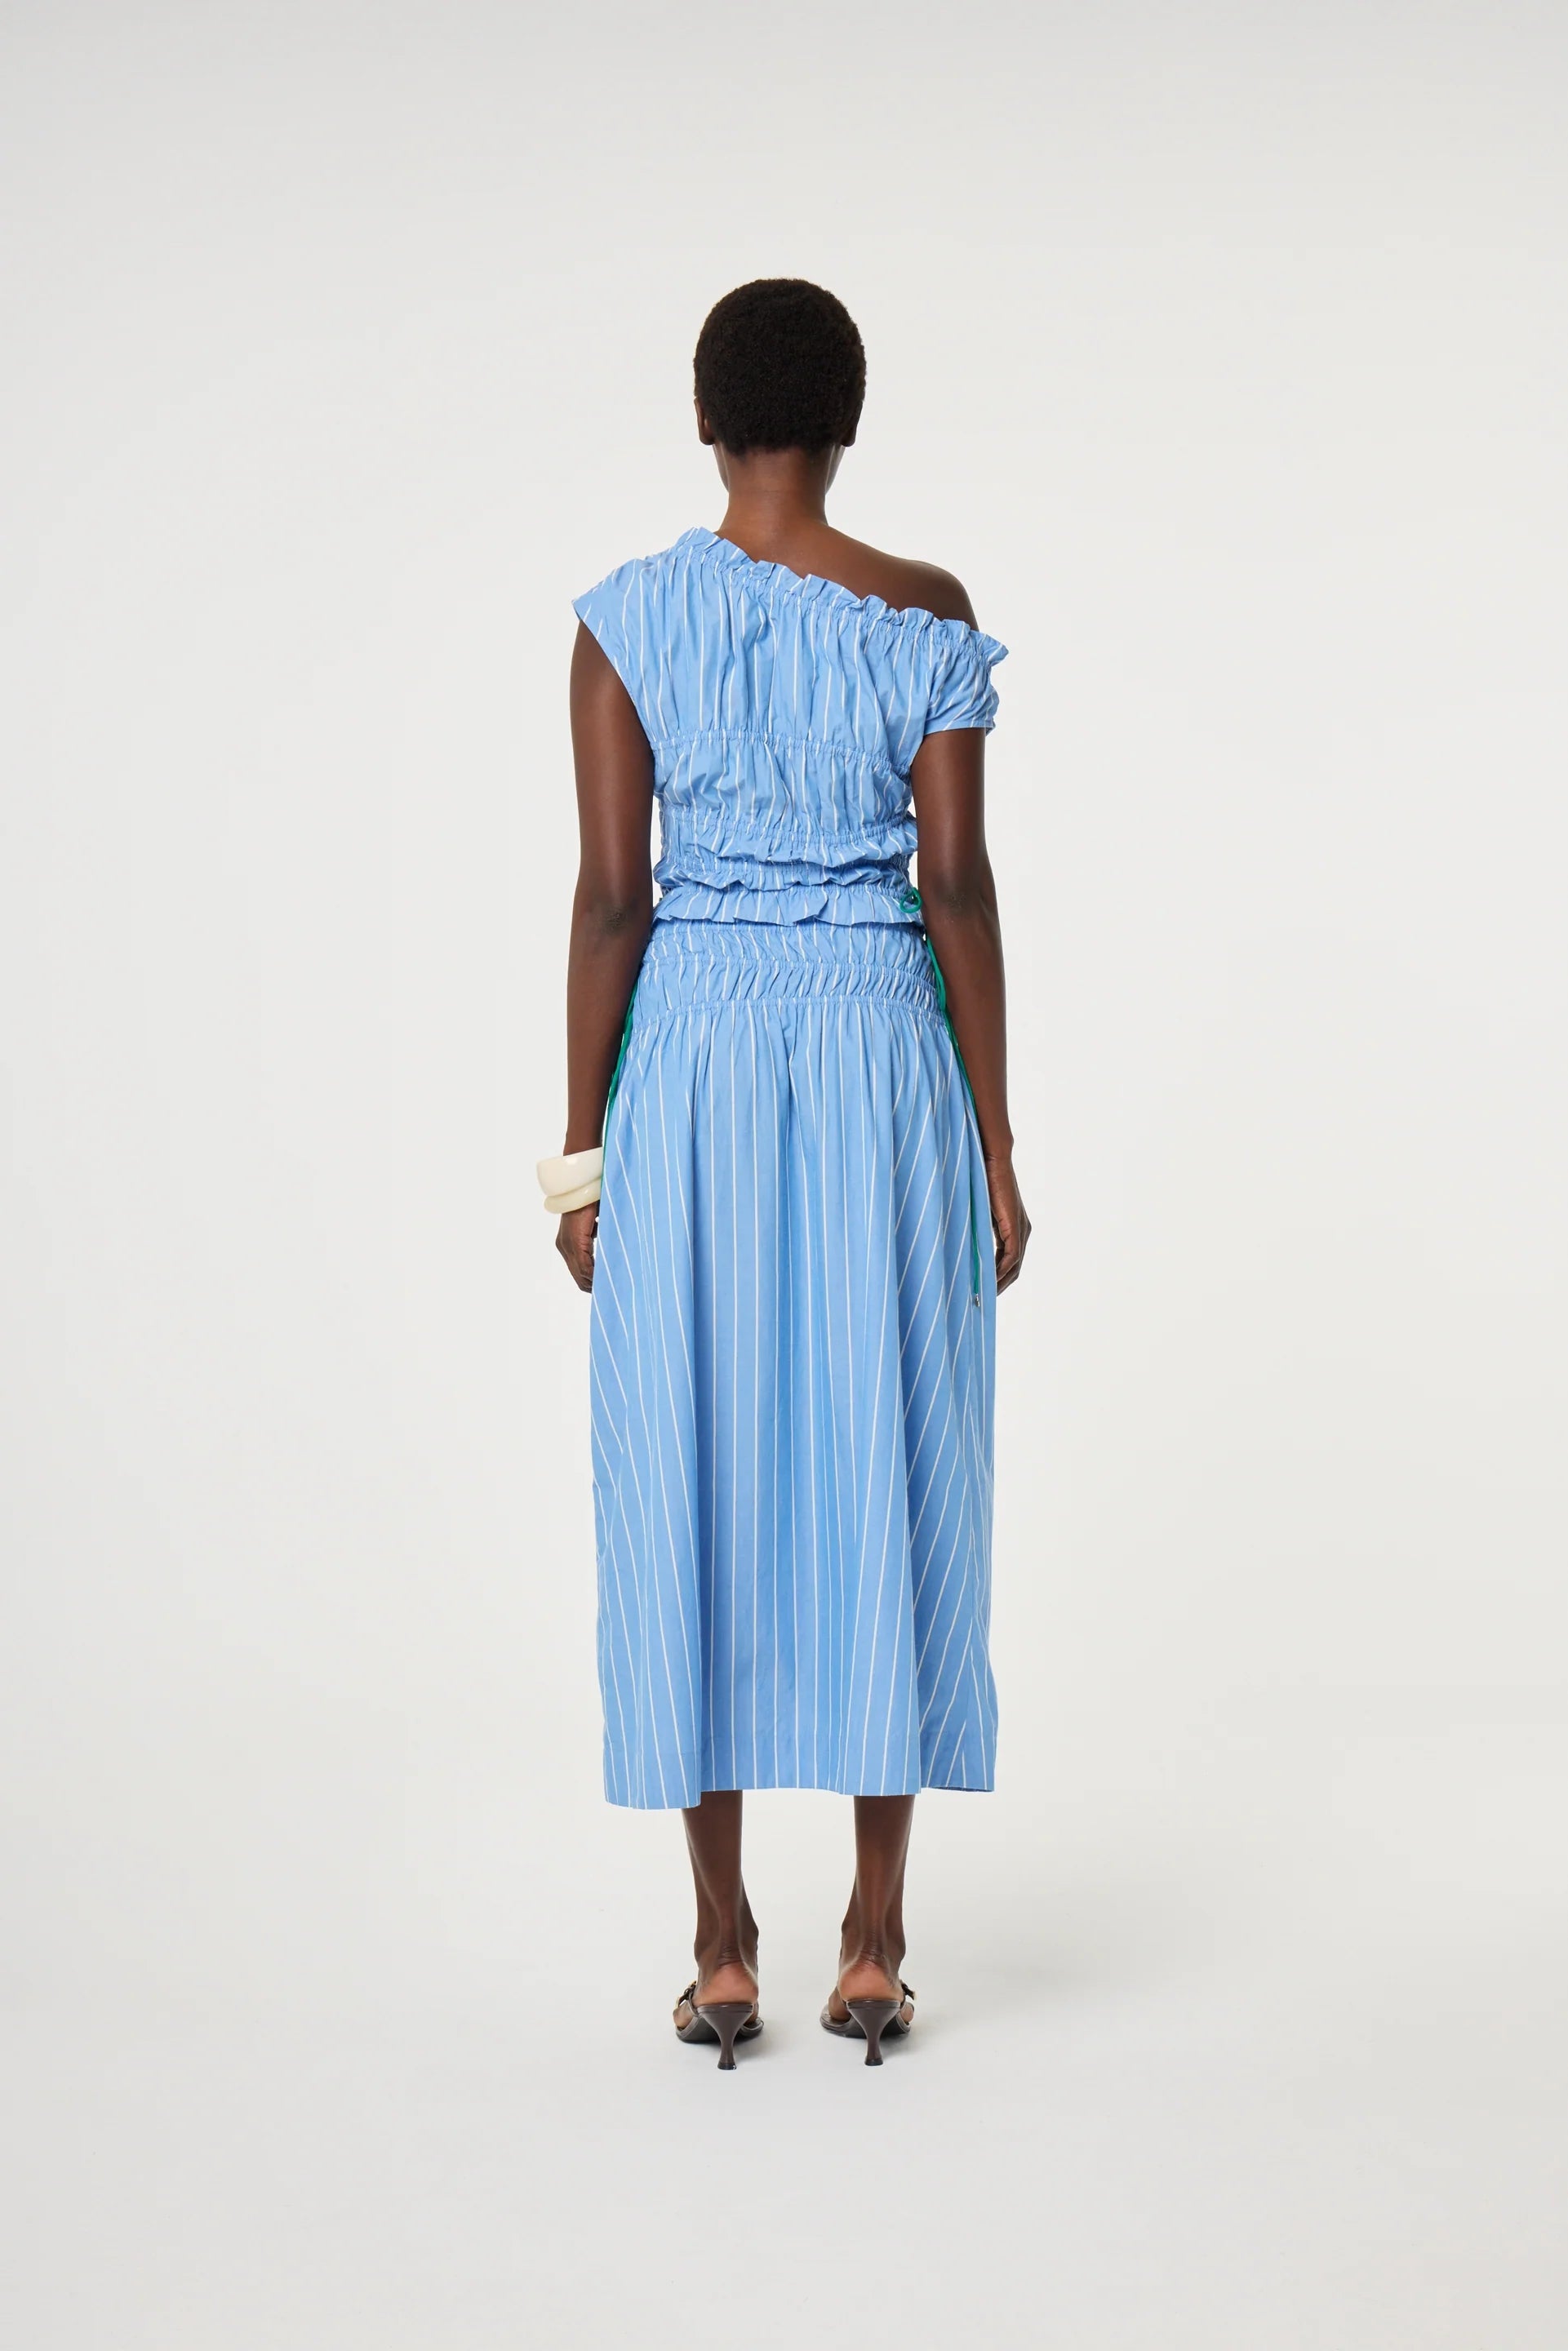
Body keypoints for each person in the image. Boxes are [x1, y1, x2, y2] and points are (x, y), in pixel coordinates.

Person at [541, 278, 1029, 2070]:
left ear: (703, 421)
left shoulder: (627, 628)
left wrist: (582, 1159)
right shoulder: (922, 615)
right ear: (846, 421)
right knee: (894, 1438)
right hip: (881, 1047)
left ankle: (720, 1944)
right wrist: (991, 1136)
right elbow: (958, 888)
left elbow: (613, 899)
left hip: (694, 1064)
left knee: (692, 1450)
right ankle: (878, 1938)